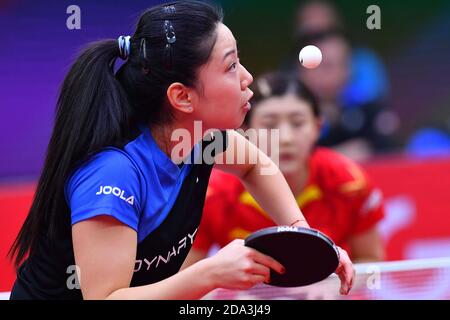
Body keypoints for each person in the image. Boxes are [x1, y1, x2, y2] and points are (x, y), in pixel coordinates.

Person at [8, 1, 353, 300]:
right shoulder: (115, 174)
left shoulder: (199, 138)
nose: (248, 78)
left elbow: (255, 167)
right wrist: (210, 273)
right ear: (182, 97)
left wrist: (304, 235)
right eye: (231, 66)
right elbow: (107, 297)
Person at [185, 72, 385, 271]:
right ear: (244, 131)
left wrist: (332, 287)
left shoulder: (349, 183)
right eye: (270, 125)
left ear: (317, 127)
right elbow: (186, 278)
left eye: (298, 123)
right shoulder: (210, 192)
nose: (285, 138)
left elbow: (372, 263)